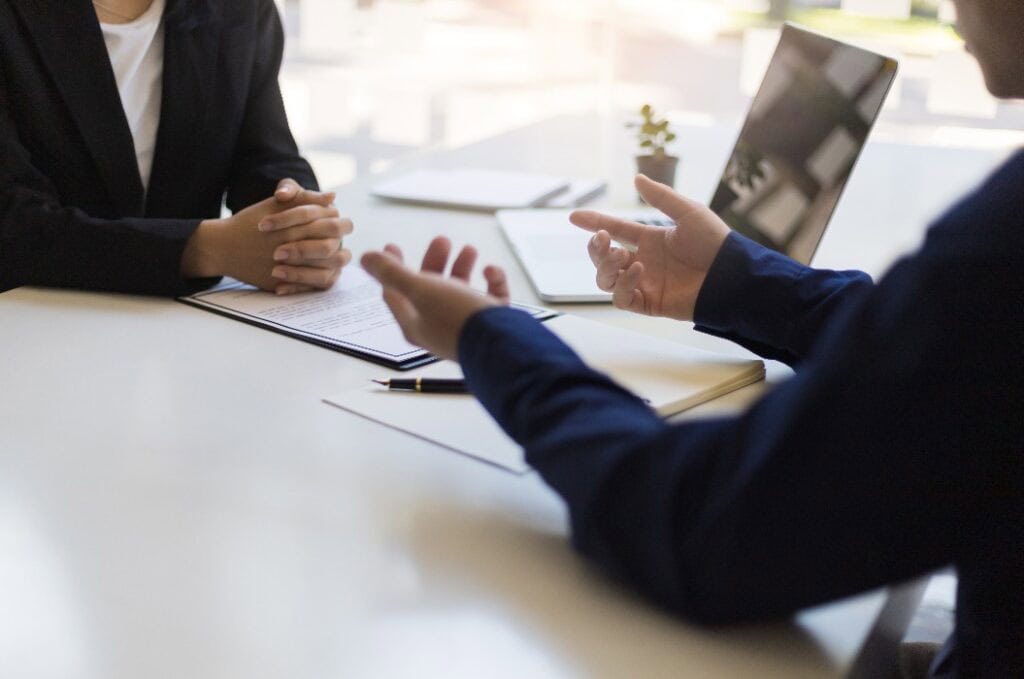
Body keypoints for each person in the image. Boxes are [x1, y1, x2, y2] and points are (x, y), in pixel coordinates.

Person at [359, 2, 1023, 676]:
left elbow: (697, 522)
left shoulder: (1002, 250)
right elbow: (933, 340)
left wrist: (490, 338)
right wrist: (737, 281)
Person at [0, 0, 351, 296]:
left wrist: (300, 224)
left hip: (180, 333)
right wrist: (202, 249)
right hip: (33, 327)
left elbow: (264, 152)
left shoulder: (237, 7)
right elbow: (13, 226)